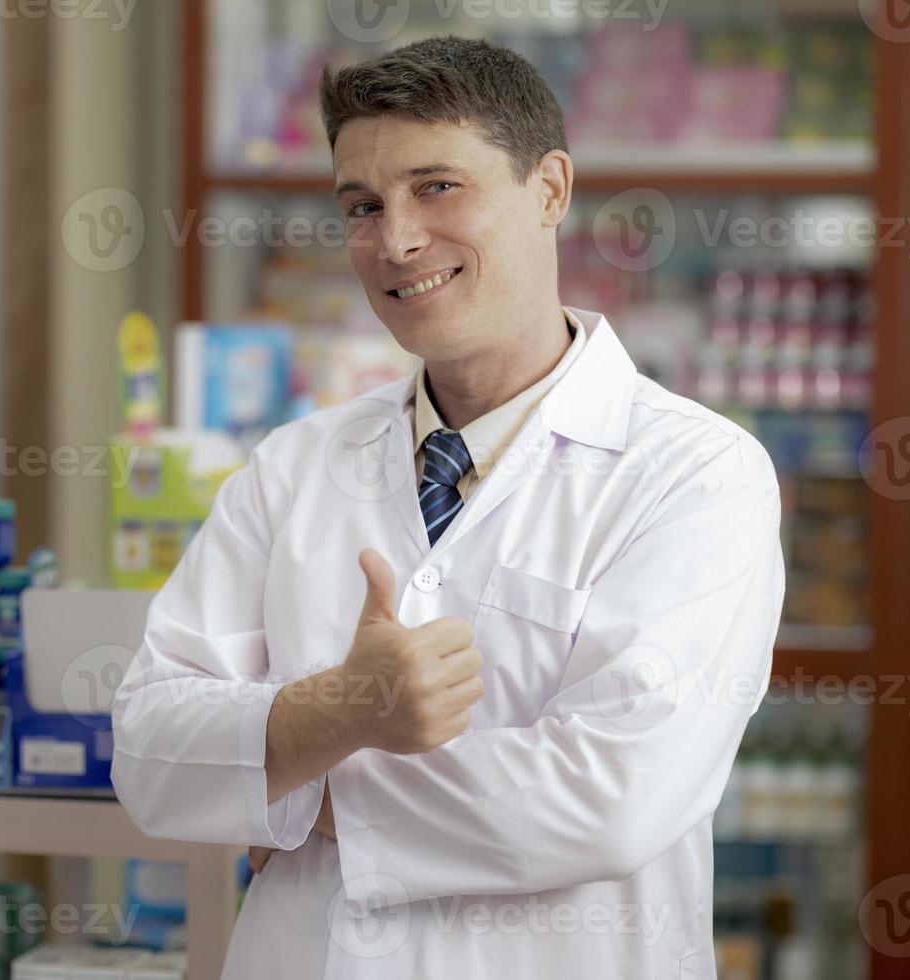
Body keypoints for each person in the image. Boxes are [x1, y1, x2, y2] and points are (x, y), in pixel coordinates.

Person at [111, 36, 784, 979]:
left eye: (436, 187)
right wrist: (341, 707)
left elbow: (609, 800)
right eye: (362, 205)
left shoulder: (696, 474)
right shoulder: (295, 466)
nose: (396, 240)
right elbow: (148, 755)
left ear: (549, 188)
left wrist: (288, 780)